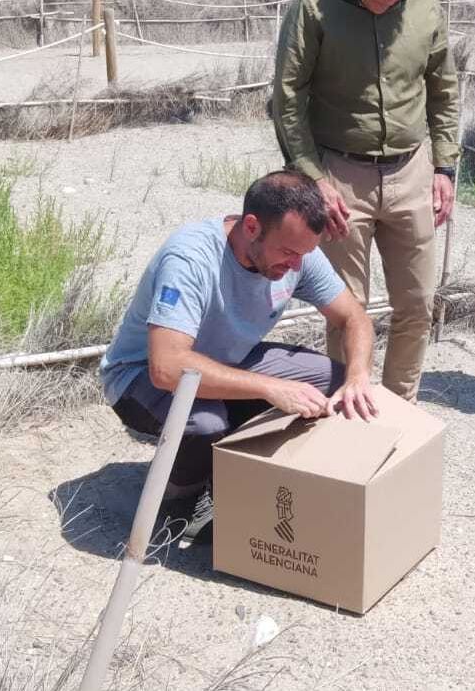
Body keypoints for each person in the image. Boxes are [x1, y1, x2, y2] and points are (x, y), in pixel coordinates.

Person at [100, 170, 378, 543]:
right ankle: (178, 498)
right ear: (251, 226)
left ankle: (249, 480)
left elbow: (354, 317)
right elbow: (166, 367)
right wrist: (270, 388)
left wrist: (358, 375)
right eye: (288, 253)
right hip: (138, 378)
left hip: (229, 359)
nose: (295, 267)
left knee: (334, 381)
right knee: (205, 423)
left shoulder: (298, 252)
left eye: (304, 255)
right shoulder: (191, 258)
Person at [271, 0, 459, 401]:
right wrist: (314, 178)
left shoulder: (424, 5)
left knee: (417, 303)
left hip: (412, 171)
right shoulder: (313, 6)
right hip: (338, 176)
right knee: (346, 307)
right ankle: (345, 407)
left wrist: (445, 166)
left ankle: (400, 406)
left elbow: (443, 89)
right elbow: (287, 99)